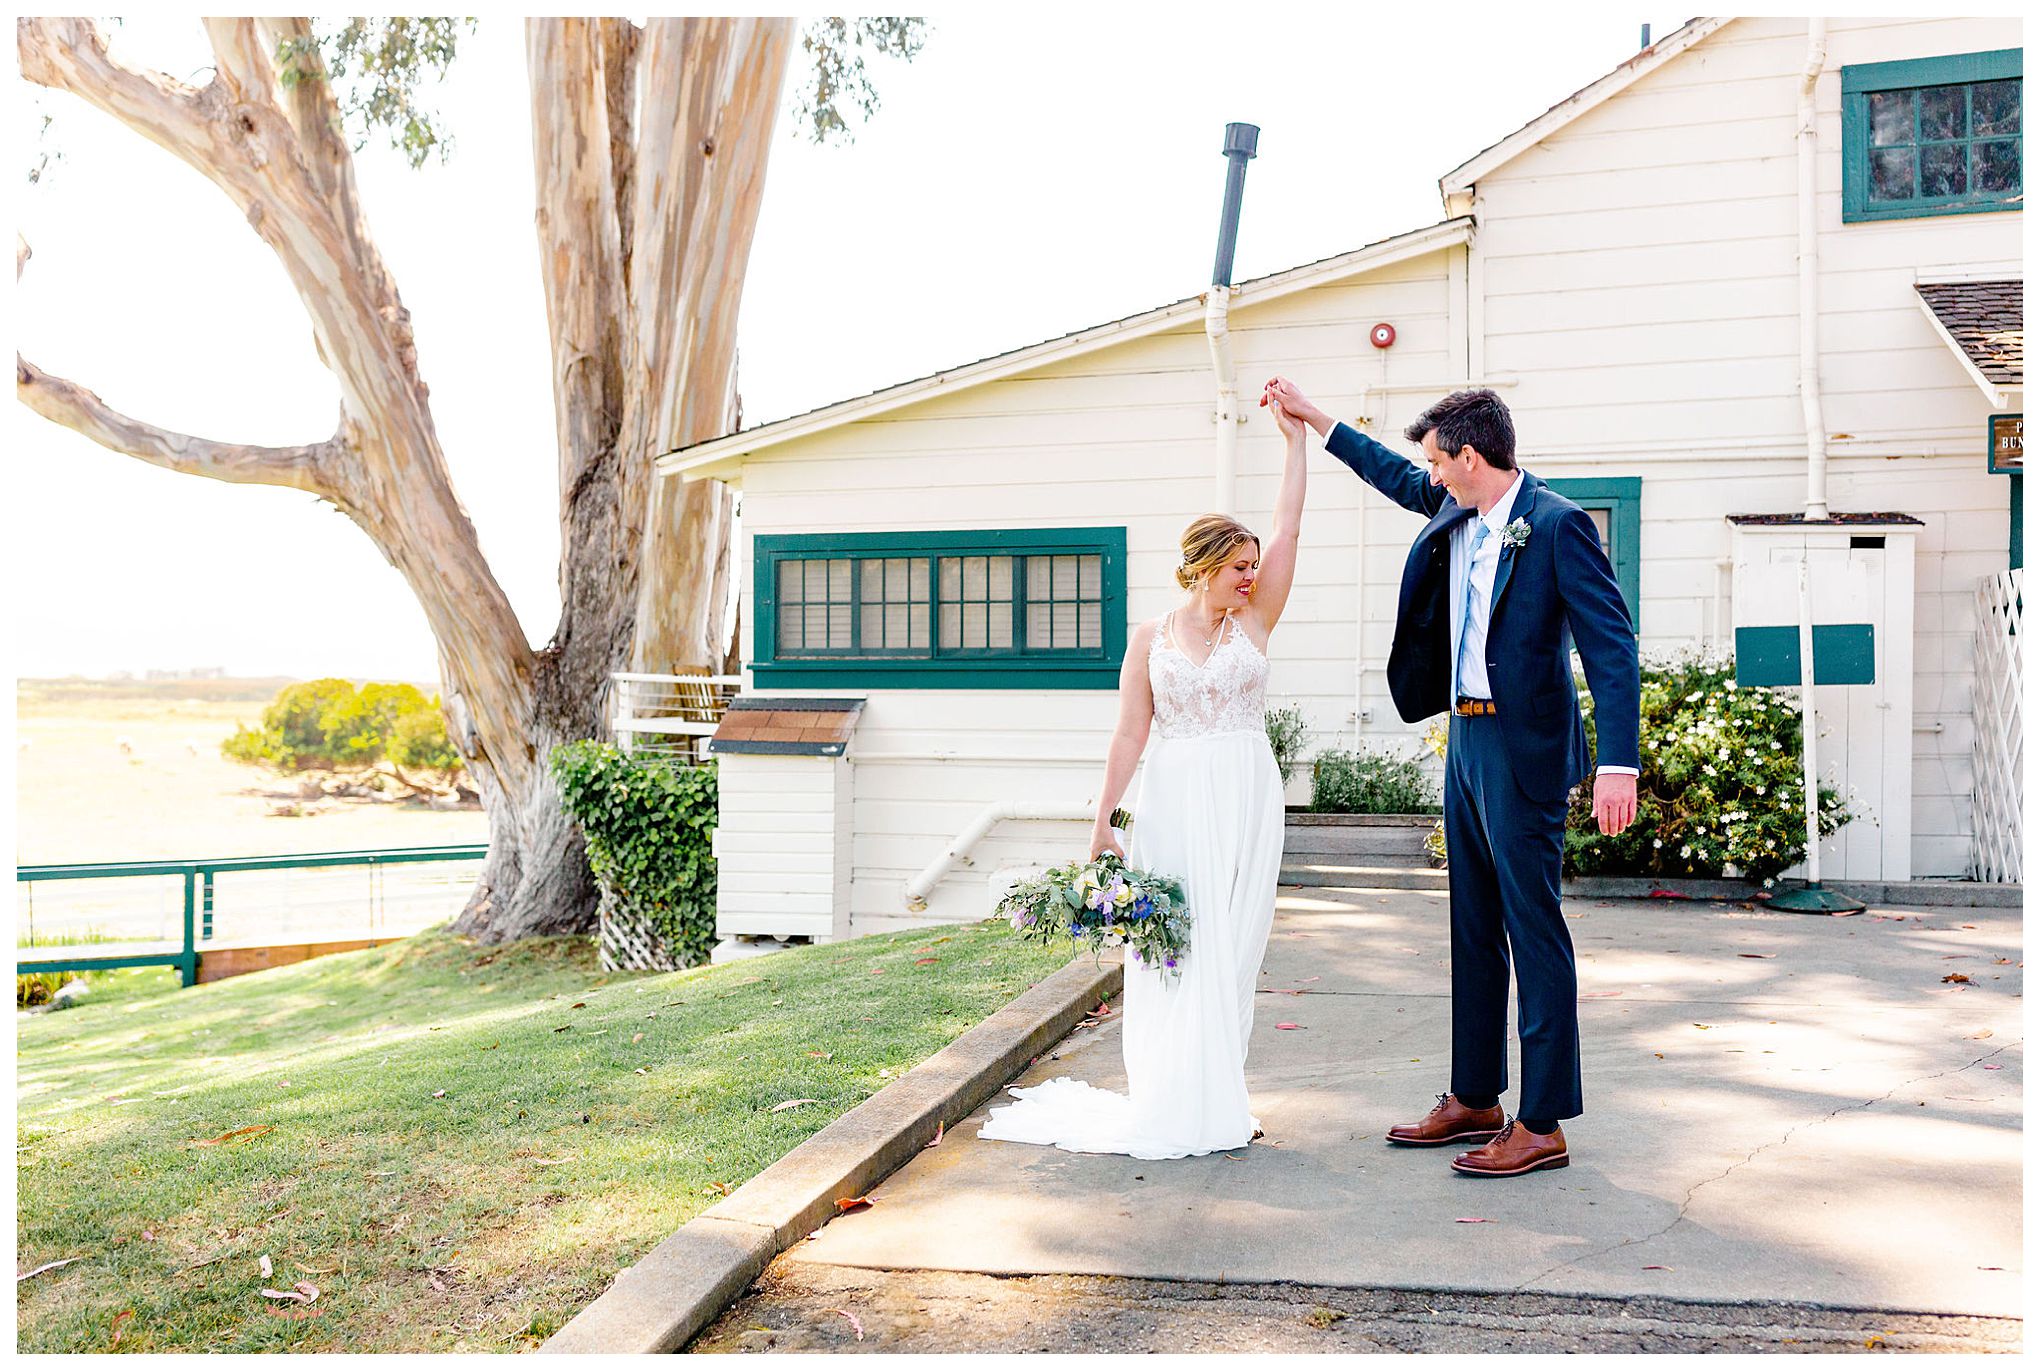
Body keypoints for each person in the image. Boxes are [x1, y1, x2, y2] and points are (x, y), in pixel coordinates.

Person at [1263, 377, 1640, 1178]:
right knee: (1470, 925)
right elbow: (1387, 471)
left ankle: (1542, 1121)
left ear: (1469, 456)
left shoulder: (1559, 526)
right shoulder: (1452, 506)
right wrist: (1315, 417)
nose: (1426, 473)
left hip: (1525, 749)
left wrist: (1618, 761)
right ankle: (1475, 1095)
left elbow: (1612, 648)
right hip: (1463, 741)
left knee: (1533, 931)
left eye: (1436, 460)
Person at [977, 396, 1309, 1159]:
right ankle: (1168, 1094)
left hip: (1247, 794)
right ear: (1202, 567)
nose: (1251, 577)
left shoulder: (1255, 621)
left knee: (1235, 947)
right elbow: (1131, 731)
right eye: (1238, 567)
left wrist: (1296, 444)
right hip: (1170, 802)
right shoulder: (1148, 639)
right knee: (1178, 945)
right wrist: (1103, 823)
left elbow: (1290, 526)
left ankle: (1222, 1094)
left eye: (1255, 566)